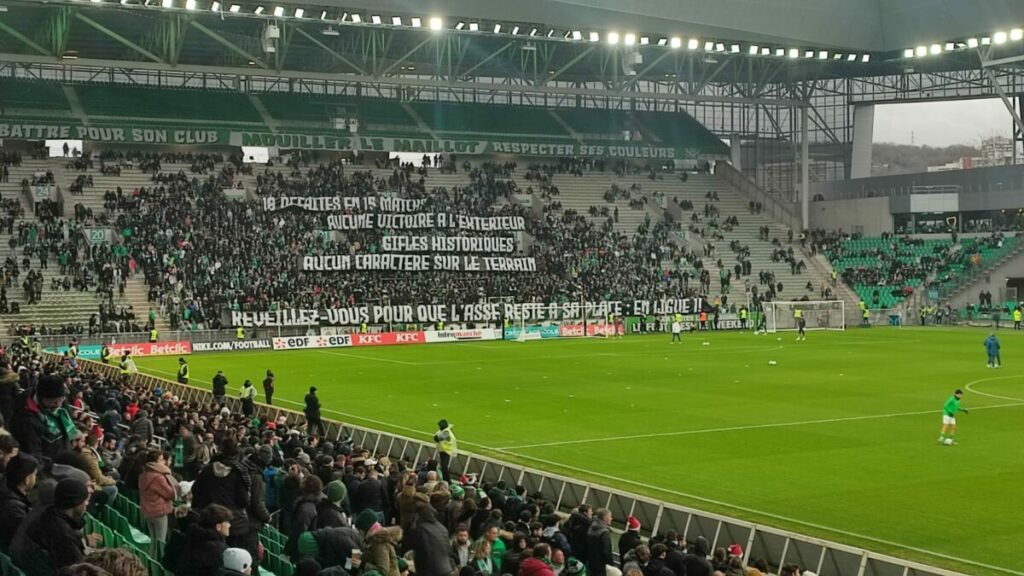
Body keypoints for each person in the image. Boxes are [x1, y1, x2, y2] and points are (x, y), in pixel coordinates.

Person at [11, 478, 96, 576]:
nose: (87, 504)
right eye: (85, 500)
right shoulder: (63, 534)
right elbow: (79, 569)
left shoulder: (47, 515)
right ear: (76, 502)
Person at [10, 373, 75, 461]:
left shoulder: (62, 405)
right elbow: (34, 454)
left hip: (63, 460)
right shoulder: (26, 419)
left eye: (61, 400)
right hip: (48, 467)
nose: (58, 405)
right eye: (53, 401)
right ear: (40, 398)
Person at [140, 448, 178, 558]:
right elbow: (171, 494)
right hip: (159, 512)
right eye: (161, 460)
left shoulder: (144, 475)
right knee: (161, 541)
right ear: (155, 462)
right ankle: (158, 564)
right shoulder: (158, 478)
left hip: (147, 511)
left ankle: (151, 563)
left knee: (153, 540)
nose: (164, 462)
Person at [176, 504, 232, 576]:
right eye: (227, 522)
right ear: (218, 526)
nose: (229, 525)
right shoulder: (220, 550)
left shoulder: (190, 538)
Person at [0, 453, 38, 549]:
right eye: (34, 474)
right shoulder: (13, 507)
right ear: (27, 479)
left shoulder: (6, 494)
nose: (36, 478)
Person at [585, 508, 614, 576]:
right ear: (604, 518)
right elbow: (606, 551)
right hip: (601, 567)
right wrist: (611, 565)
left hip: (590, 563)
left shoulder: (592, 527)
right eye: (610, 516)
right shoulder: (604, 532)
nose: (611, 518)